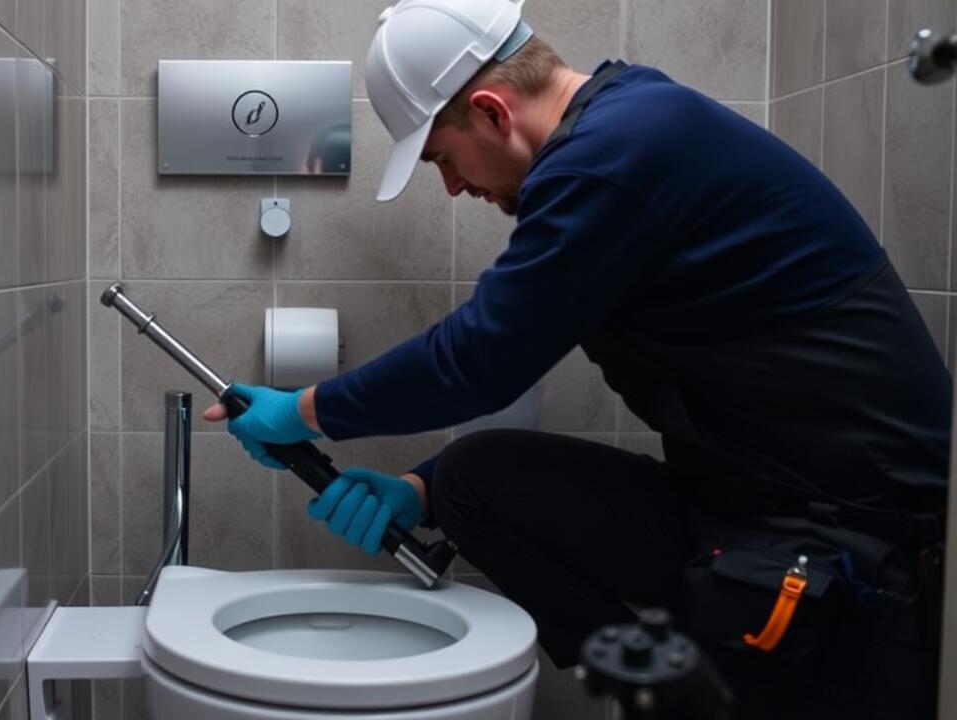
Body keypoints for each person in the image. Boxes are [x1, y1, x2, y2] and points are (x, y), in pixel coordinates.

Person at [204, 1, 950, 717]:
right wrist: (420, 491)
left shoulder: (612, 157)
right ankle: (660, 680)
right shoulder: (624, 126)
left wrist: (304, 410)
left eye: (442, 158)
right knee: (471, 481)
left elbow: (482, 357)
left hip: (856, 539)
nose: (454, 185)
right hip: (746, 499)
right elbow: (507, 346)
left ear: (493, 112)